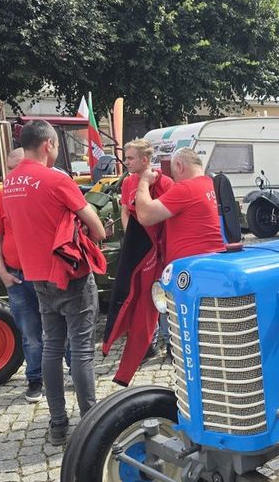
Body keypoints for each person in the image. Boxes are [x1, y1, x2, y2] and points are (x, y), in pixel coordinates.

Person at [2, 120, 107, 445]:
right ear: (48, 144)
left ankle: (58, 424)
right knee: (81, 351)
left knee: (50, 347)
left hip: (36, 276)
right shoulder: (55, 179)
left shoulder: (10, 183)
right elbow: (98, 228)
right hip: (70, 275)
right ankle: (91, 423)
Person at [102, 140, 173, 386]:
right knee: (139, 296)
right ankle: (147, 346)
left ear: (145, 160)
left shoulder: (164, 183)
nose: (126, 162)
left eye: (130, 158)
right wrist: (131, 237)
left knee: (163, 297)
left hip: (160, 252)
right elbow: (125, 210)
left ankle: (171, 342)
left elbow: (169, 219)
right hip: (139, 250)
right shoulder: (129, 181)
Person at [0, 147, 45, 403]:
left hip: (45, 274)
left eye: (19, 167)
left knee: (58, 328)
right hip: (18, 277)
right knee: (29, 332)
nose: (15, 174)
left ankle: (73, 374)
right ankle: (35, 379)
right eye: (10, 169)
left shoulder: (45, 190)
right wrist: (3, 273)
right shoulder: (2, 197)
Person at [135, 147, 224, 263]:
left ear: (179, 166)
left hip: (189, 266)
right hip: (213, 258)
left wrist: (144, 181)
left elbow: (145, 215)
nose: (174, 180)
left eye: (173, 176)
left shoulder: (186, 188)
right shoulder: (212, 185)